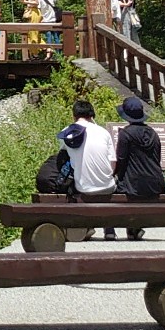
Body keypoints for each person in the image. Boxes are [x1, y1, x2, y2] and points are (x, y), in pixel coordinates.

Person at [65, 99, 118, 239]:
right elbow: (113, 161)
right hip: (107, 185)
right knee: (106, 186)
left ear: (74, 115)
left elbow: (64, 158)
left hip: (83, 187)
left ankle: (87, 226)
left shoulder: (67, 132)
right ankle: (109, 230)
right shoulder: (104, 132)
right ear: (92, 115)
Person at [114, 95, 165, 238]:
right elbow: (158, 158)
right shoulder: (153, 134)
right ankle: (134, 228)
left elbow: (121, 160)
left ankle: (113, 230)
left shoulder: (125, 134)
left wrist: (116, 176)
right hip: (155, 183)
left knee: (115, 189)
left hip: (134, 185)